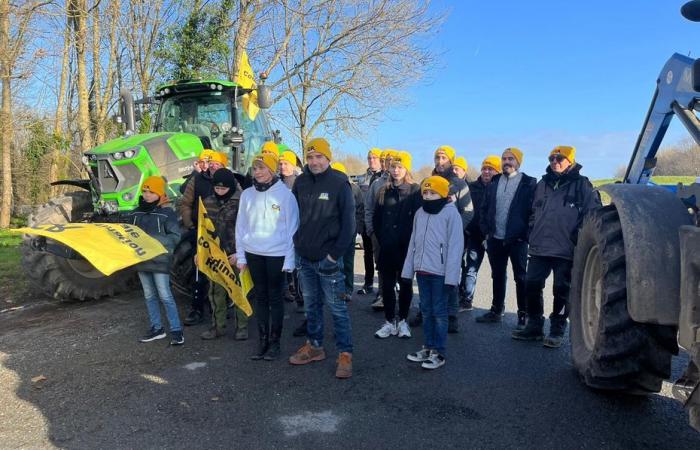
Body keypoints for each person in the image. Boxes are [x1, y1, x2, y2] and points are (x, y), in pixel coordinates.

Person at [512, 146, 600, 347]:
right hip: (540, 246)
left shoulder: (582, 185)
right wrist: (531, 231)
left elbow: (593, 214)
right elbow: (532, 211)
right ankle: (534, 326)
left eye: (560, 158)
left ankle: (557, 329)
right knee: (531, 285)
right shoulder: (542, 184)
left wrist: (576, 238)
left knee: (561, 290)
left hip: (566, 249)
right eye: (552, 158)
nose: (555, 161)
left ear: (570, 161)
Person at [288, 137, 356, 379]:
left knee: (338, 310)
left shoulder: (340, 183)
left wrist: (333, 255)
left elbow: (349, 226)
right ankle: (315, 346)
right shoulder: (301, 182)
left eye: (319, 157)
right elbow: (293, 216)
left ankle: (345, 354)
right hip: (304, 258)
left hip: (328, 260)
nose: (314, 161)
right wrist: (296, 245)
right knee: (311, 306)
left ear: (328, 158)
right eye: (310, 157)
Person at [236, 152, 299, 360]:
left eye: (262, 168)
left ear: (272, 170)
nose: (258, 172)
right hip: (254, 253)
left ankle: (275, 343)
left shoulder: (285, 195)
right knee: (260, 298)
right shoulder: (246, 195)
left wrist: (290, 260)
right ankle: (262, 342)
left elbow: (292, 230)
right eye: (255, 168)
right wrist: (242, 256)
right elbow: (240, 227)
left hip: (277, 254)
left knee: (275, 298)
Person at [410, 145, 473, 333]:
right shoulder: (427, 183)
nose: (440, 161)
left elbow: (468, 212)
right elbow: (421, 210)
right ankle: (424, 311)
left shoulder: (459, 184)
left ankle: (451, 315)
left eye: (444, 158)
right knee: (425, 276)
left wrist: (453, 233)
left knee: (450, 277)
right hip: (428, 241)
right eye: (437, 157)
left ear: (451, 160)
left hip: (450, 241)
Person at [403, 176, 463, 369]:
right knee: (426, 311)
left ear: (444, 193)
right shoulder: (420, 212)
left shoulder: (451, 214)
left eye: (433, 192)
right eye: (425, 193)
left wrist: (452, 277)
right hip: (422, 271)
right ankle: (428, 347)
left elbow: (455, 247)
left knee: (439, 312)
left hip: (441, 273)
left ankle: (439, 351)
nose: (428, 196)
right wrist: (408, 270)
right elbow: (413, 241)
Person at [477, 147, 537, 330]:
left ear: (518, 162)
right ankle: (496, 310)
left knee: (521, 277)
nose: (507, 162)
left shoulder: (529, 183)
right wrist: (486, 232)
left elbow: (534, 212)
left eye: (511, 159)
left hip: (517, 239)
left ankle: (523, 314)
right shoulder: (494, 181)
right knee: (497, 275)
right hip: (495, 237)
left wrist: (525, 235)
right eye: (504, 159)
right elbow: (484, 208)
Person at [128, 176, 184, 345]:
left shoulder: (167, 213)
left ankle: (176, 331)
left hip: (160, 261)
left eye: (151, 192)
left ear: (160, 193)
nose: (147, 195)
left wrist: (154, 242)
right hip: (142, 260)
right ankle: (156, 328)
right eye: (145, 191)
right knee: (149, 295)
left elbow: (175, 237)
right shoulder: (135, 213)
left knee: (165, 295)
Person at [372, 151, 422, 339]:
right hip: (387, 247)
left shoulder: (415, 190)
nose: (396, 170)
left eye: (400, 167)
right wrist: (382, 238)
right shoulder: (383, 190)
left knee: (406, 284)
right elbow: (377, 218)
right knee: (387, 285)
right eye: (393, 166)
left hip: (407, 248)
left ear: (406, 168)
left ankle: (402, 320)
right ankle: (388, 321)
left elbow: (420, 218)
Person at [178, 151, 228, 326]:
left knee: (223, 270)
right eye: (211, 162)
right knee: (199, 269)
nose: (213, 165)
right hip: (200, 232)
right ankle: (197, 308)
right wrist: (189, 223)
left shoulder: (231, 180)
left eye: (217, 163)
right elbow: (185, 202)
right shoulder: (197, 180)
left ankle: (223, 307)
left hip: (223, 234)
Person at [199, 168, 248, 340]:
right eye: (217, 188)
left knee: (239, 291)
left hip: (235, 254)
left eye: (223, 189)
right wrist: (201, 252)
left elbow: (247, 230)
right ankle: (217, 326)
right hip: (215, 255)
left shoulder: (241, 201)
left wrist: (240, 254)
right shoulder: (207, 202)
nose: (219, 192)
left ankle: (242, 327)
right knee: (215, 292)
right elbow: (202, 230)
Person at [459, 155, 501, 311]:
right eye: (484, 168)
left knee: (497, 273)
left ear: (498, 171)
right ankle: (466, 300)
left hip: (494, 237)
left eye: (491, 169)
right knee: (471, 270)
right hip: (475, 235)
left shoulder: (501, 187)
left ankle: (498, 307)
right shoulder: (471, 187)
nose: (486, 172)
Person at [365, 149, 398, 310]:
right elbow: (369, 208)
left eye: (391, 159)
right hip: (379, 235)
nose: (388, 163)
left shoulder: (405, 184)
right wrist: (371, 230)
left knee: (398, 265)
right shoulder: (377, 184)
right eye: (385, 160)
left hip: (398, 235)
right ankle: (382, 294)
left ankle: (395, 293)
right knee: (381, 264)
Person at [331, 162, 363, 300]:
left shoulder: (354, 189)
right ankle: (335, 289)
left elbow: (361, 209)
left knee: (348, 262)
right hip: (333, 233)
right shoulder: (328, 188)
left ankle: (348, 289)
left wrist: (357, 228)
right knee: (334, 262)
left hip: (349, 232)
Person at [355, 148, 383, 295]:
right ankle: (368, 283)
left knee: (381, 255)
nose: (372, 160)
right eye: (369, 158)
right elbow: (359, 204)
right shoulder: (362, 178)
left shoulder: (385, 177)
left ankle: (385, 286)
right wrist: (360, 223)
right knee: (367, 254)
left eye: (375, 158)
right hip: (366, 222)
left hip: (380, 223)